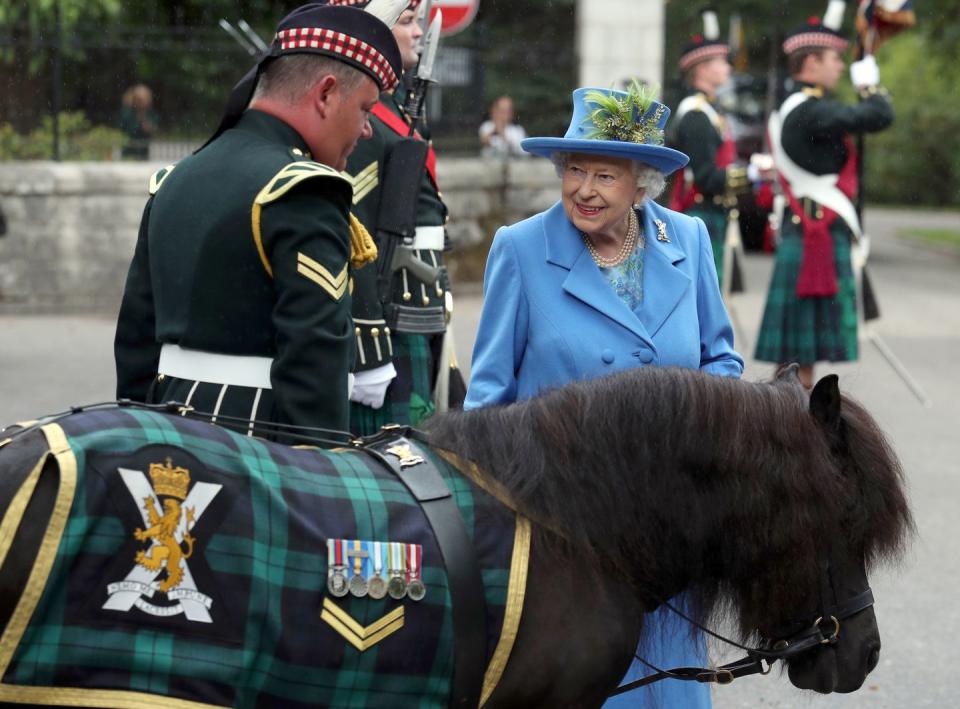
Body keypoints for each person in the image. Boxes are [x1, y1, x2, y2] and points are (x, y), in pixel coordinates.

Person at [465, 82, 743, 708]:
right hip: (566, 527)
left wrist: (709, 442)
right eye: (575, 171)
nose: (585, 190)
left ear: (642, 183)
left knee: (666, 682)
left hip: (667, 517)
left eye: (606, 176)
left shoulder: (689, 241)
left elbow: (721, 359)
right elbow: (489, 398)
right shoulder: (522, 249)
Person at [114, 4, 403, 438]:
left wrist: (139, 444)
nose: (366, 131)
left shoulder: (174, 179)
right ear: (325, 94)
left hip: (164, 433)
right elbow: (313, 365)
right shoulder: (302, 189)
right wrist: (319, 478)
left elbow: (136, 343)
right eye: (366, 108)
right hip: (257, 446)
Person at [330, 0, 460, 435]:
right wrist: (368, 346)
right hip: (390, 310)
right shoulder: (364, 120)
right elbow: (357, 233)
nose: (419, 32)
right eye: (407, 22)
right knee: (391, 448)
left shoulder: (396, 107)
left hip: (419, 299)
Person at [755, 0, 893, 390]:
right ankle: (796, 423)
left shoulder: (798, 108)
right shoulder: (808, 111)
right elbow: (878, 116)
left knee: (801, 352)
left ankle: (792, 420)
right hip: (814, 233)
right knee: (800, 355)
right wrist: (869, 83)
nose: (840, 66)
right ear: (810, 62)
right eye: (834, 58)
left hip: (811, 229)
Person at [668, 9, 751, 291]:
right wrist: (748, 174)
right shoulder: (695, 115)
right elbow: (705, 177)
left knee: (711, 296)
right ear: (701, 69)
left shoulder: (708, 111)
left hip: (711, 213)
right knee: (701, 300)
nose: (728, 67)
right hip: (699, 212)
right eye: (721, 62)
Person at [119, 84, 159, 160]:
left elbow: (153, 130)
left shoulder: (151, 114)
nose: (140, 102)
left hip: (143, 152)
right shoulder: (127, 114)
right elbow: (123, 130)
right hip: (128, 151)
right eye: (138, 99)